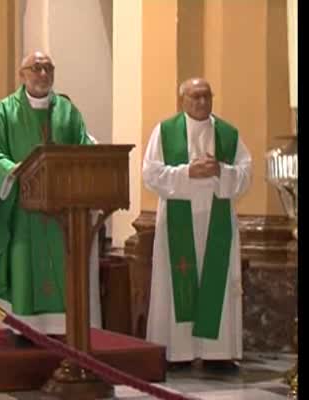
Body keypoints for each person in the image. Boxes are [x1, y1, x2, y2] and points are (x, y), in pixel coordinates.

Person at [0, 51, 101, 334]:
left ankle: (61, 329)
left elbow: (84, 148)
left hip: (61, 211)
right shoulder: (3, 112)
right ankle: (23, 328)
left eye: (48, 68)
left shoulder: (68, 112)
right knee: (22, 268)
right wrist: (13, 169)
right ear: (22, 74)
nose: (43, 74)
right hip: (21, 210)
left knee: (62, 269)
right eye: (36, 68)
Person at [143, 77, 252, 371]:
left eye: (206, 96)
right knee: (176, 281)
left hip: (217, 221)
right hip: (179, 221)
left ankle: (218, 354)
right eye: (195, 97)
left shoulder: (228, 134)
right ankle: (177, 353)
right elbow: (150, 174)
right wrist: (188, 172)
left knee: (216, 281)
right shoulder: (165, 131)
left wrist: (221, 170)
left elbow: (245, 173)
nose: (202, 102)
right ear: (183, 100)